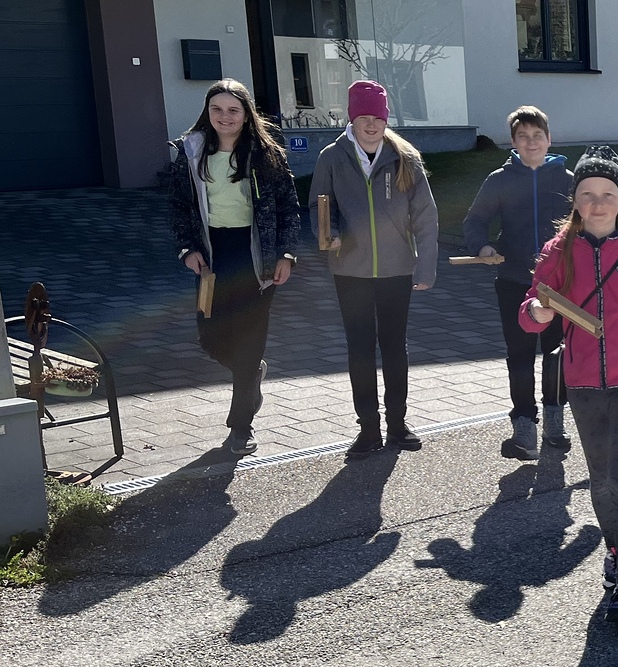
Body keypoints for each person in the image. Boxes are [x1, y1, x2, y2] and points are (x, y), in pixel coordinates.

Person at [520, 151, 618, 623]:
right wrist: (537, 312)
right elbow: (530, 309)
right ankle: (614, 548)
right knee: (600, 479)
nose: (597, 203)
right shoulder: (558, 251)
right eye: (587, 195)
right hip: (583, 382)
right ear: (575, 201)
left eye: (607, 195)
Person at [164, 78, 303, 456]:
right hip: (212, 258)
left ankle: (241, 427)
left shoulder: (267, 154)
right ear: (207, 113)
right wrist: (187, 249)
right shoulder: (190, 153)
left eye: (233, 110)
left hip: (257, 258)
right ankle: (251, 373)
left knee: (248, 342)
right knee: (210, 337)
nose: (224, 117)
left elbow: (288, 208)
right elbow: (178, 208)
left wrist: (286, 254)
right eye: (217, 109)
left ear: (246, 115)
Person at [313, 79, 439, 456]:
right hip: (349, 271)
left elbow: (426, 216)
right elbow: (320, 205)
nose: (371, 125)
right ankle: (368, 429)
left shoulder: (405, 159)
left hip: (397, 270)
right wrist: (330, 234)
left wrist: (425, 266)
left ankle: (397, 424)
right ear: (351, 118)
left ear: (386, 120)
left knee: (394, 348)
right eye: (364, 117)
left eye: (378, 118)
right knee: (360, 349)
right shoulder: (331, 157)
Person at [462, 105, 574, 460]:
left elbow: (588, 223)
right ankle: (524, 426)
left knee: (557, 355)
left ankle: (555, 420)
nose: (531, 142)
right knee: (520, 356)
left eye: (537, 136)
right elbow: (474, 221)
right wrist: (482, 246)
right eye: (523, 137)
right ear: (513, 142)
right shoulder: (500, 180)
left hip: (559, 285)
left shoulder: (568, 180)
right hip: (514, 282)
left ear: (549, 139)